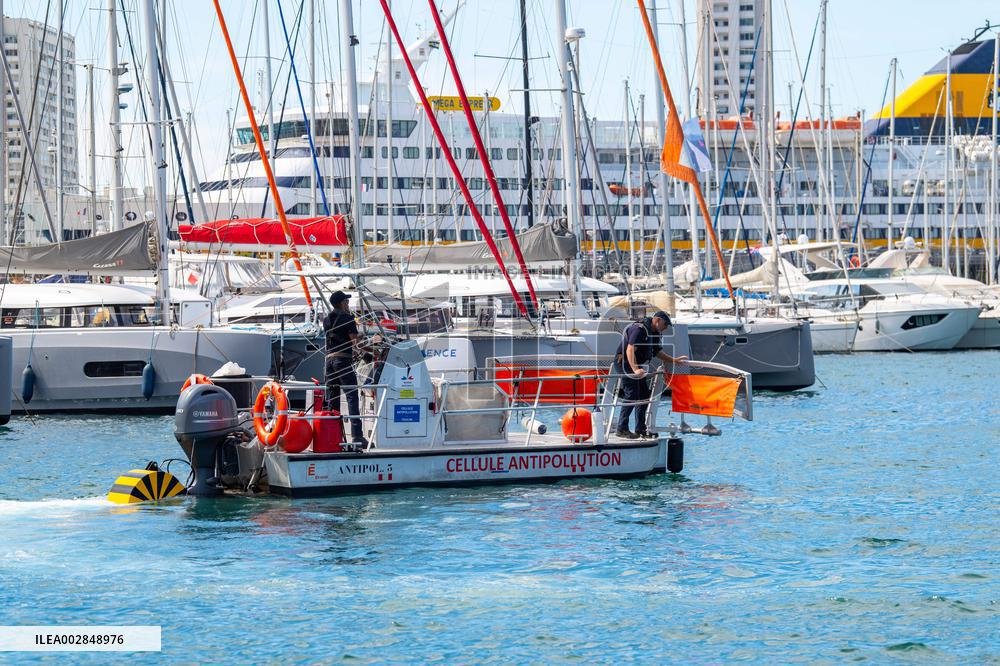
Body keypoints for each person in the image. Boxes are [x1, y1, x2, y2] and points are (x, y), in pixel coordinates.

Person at [614, 310, 685, 439]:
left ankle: (640, 429)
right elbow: (630, 349)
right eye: (665, 324)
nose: (666, 328)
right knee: (632, 394)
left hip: (635, 365)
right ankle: (621, 428)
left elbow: (657, 352)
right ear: (657, 320)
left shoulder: (655, 333)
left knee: (644, 396)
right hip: (624, 362)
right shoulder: (639, 329)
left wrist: (674, 361)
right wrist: (635, 369)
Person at [323, 291, 366, 446]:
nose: (348, 304)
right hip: (342, 361)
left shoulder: (326, 320)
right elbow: (355, 343)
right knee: (352, 397)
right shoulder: (348, 318)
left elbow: (336, 337)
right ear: (342, 303)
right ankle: (357, 437)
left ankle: (332, 438)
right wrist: (364, 338)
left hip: (328, 363)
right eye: (346, 302)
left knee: (333, 400)